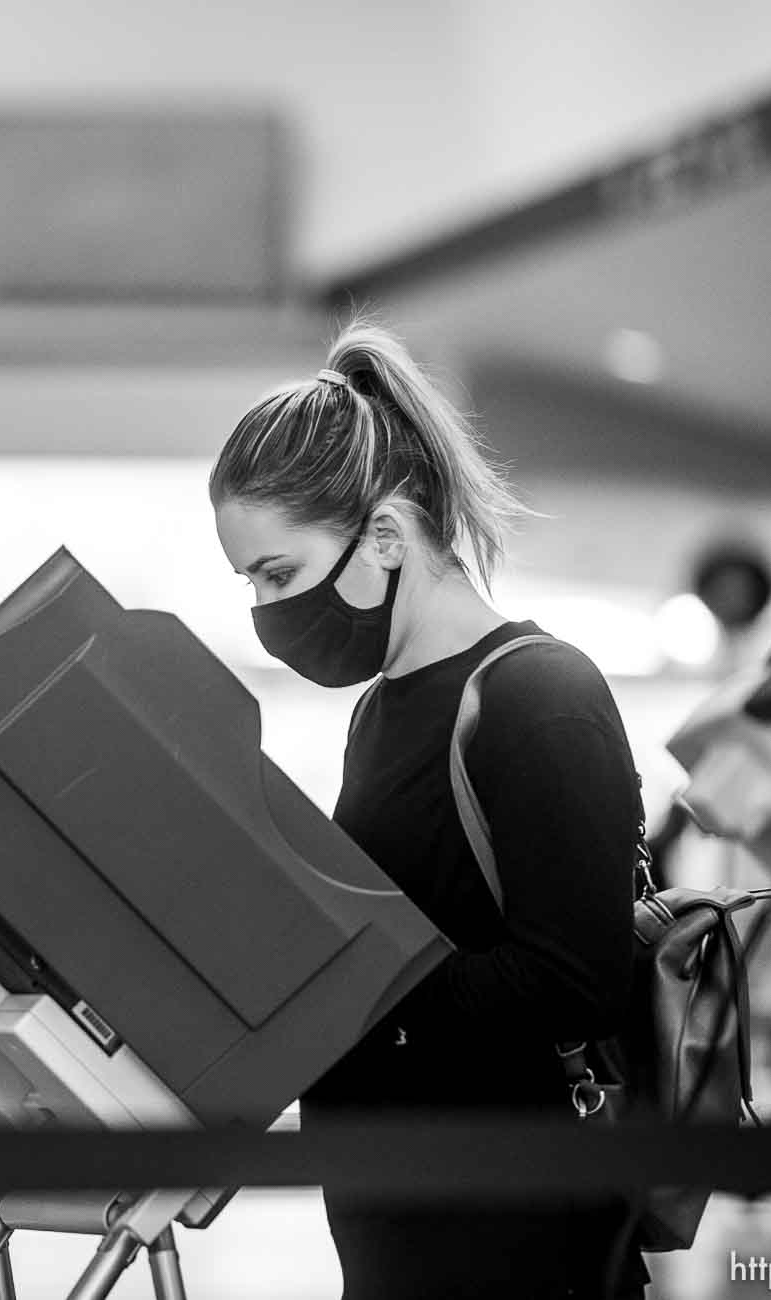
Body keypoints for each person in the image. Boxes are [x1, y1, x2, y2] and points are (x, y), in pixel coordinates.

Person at [209, 319, 644, 1299]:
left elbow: (576, 976)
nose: (266, 605)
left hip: (517, 1227)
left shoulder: (538, 696)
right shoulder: (380, 709)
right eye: (249, 579)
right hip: (397, 1218)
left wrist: (360, 1000)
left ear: (390, 535)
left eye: (276, 573)